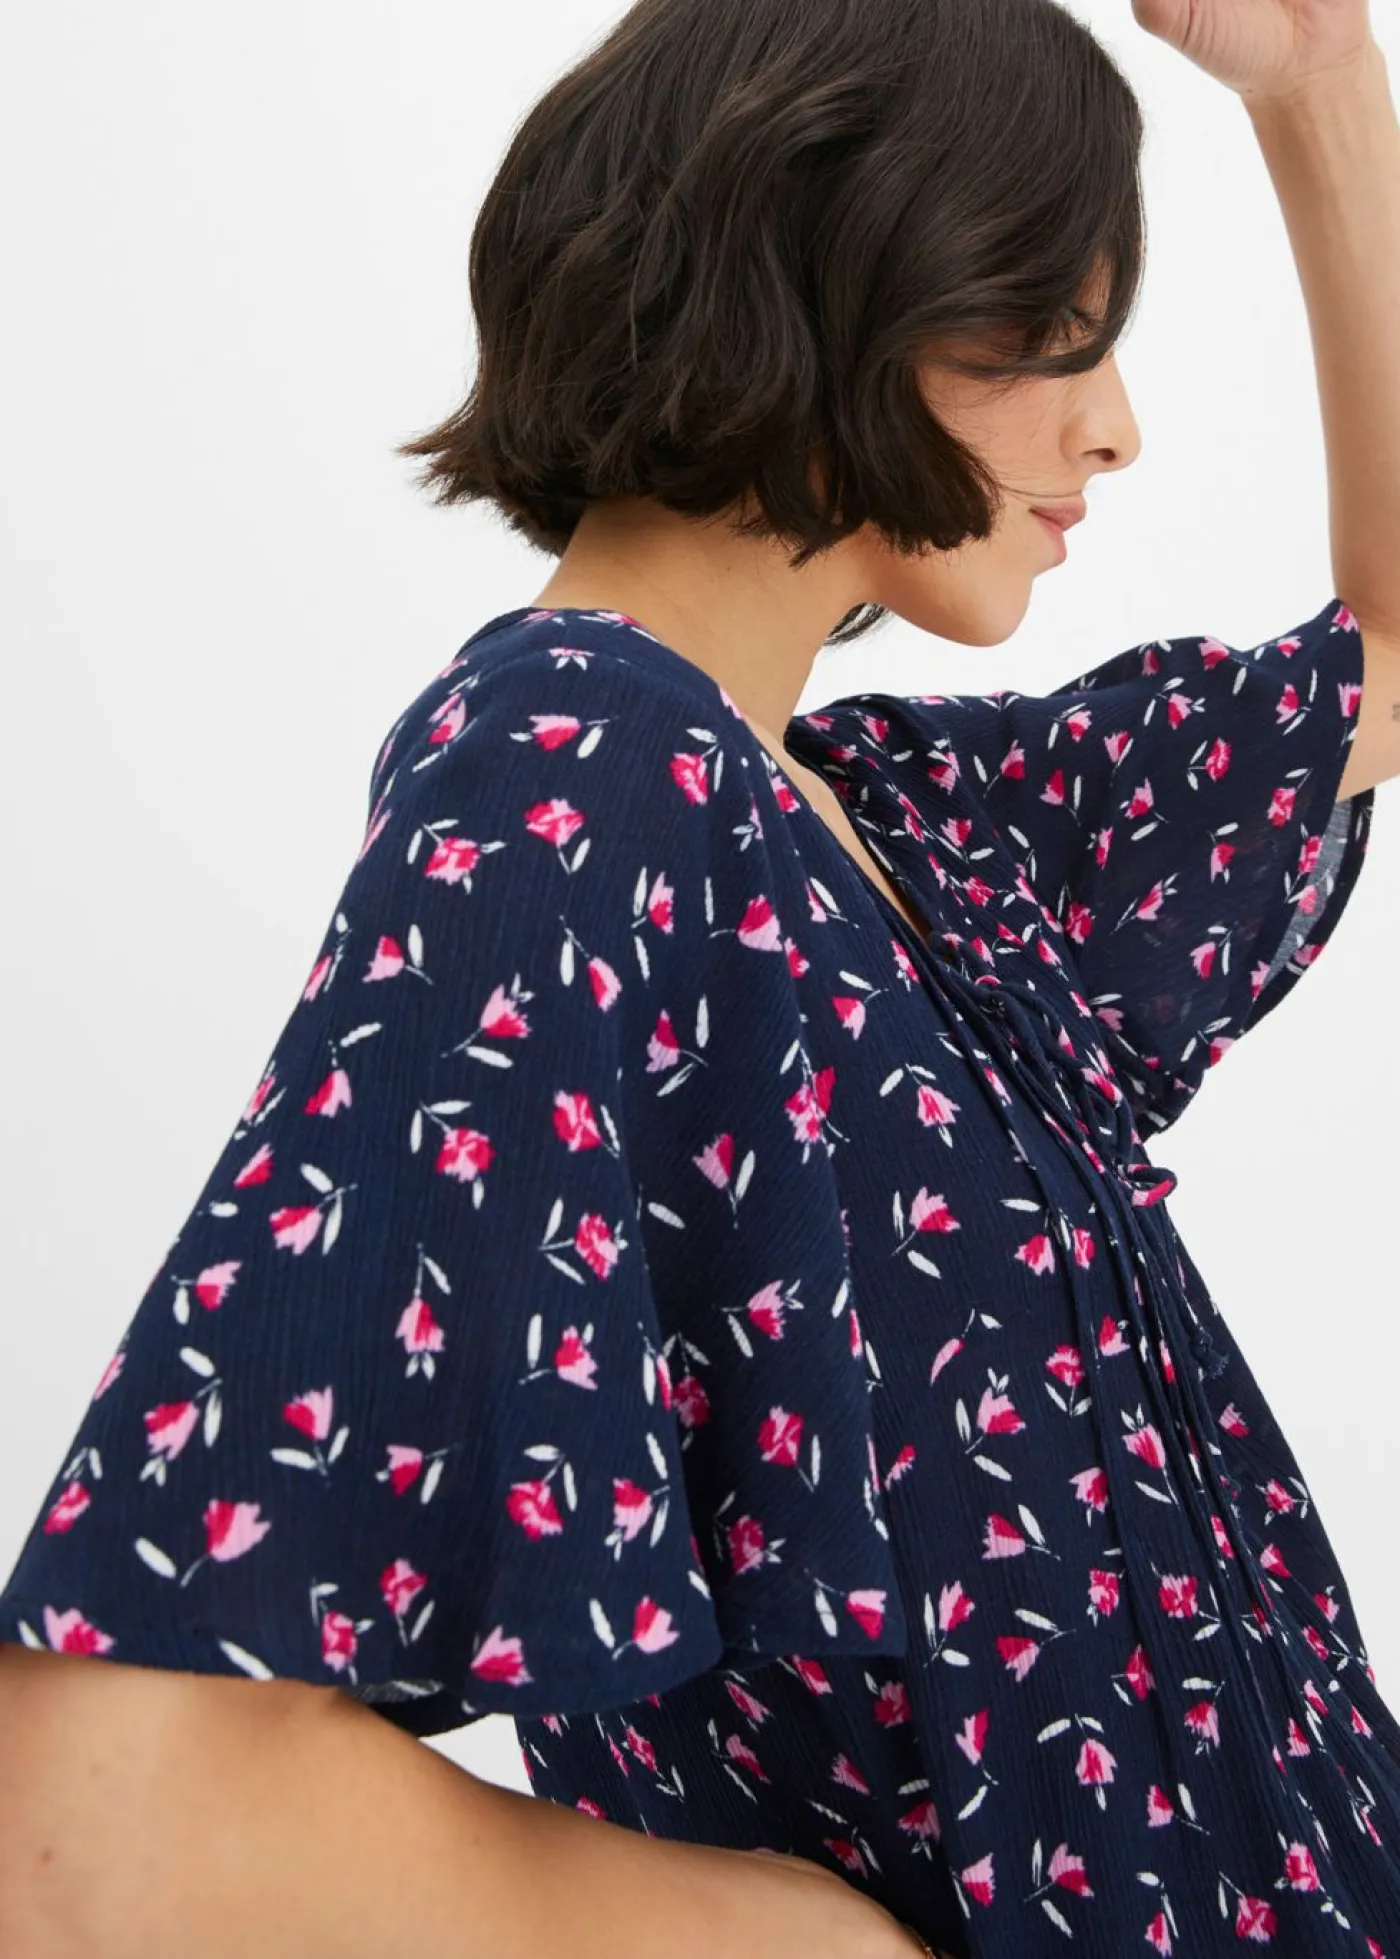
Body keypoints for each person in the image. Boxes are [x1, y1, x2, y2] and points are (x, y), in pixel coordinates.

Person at [3, 0, 1399, 1952]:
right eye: (1050, 330)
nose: (1115, 427)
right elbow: (105, 1812)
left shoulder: (907, 826)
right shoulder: (576, 765)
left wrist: (1323, 83)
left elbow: (1394, 661)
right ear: (841, 272)